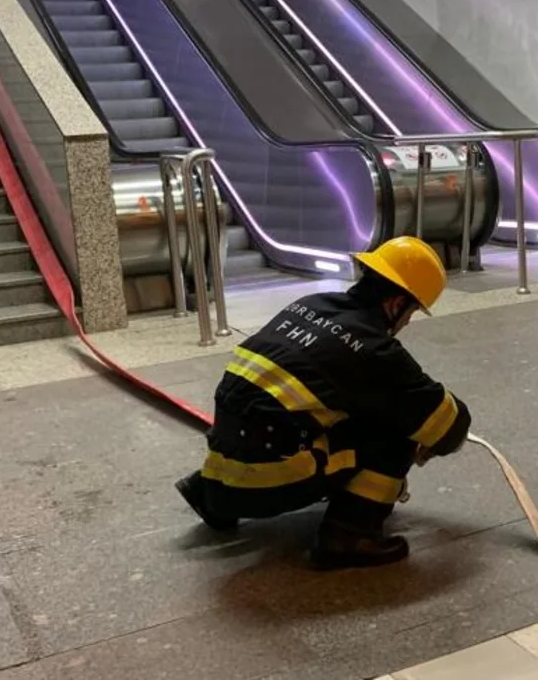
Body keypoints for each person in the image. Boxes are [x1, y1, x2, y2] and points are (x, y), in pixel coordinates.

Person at [175, 236, 472, 570]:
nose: (407, 322)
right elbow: (448, 428)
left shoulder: (311, 305)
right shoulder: (374, 350)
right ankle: (349, 537)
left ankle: (211, 497)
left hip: (217, 474)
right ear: (396, 304)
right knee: (396, 432)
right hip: (264, 485)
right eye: (412, 311)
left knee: (305, 413)